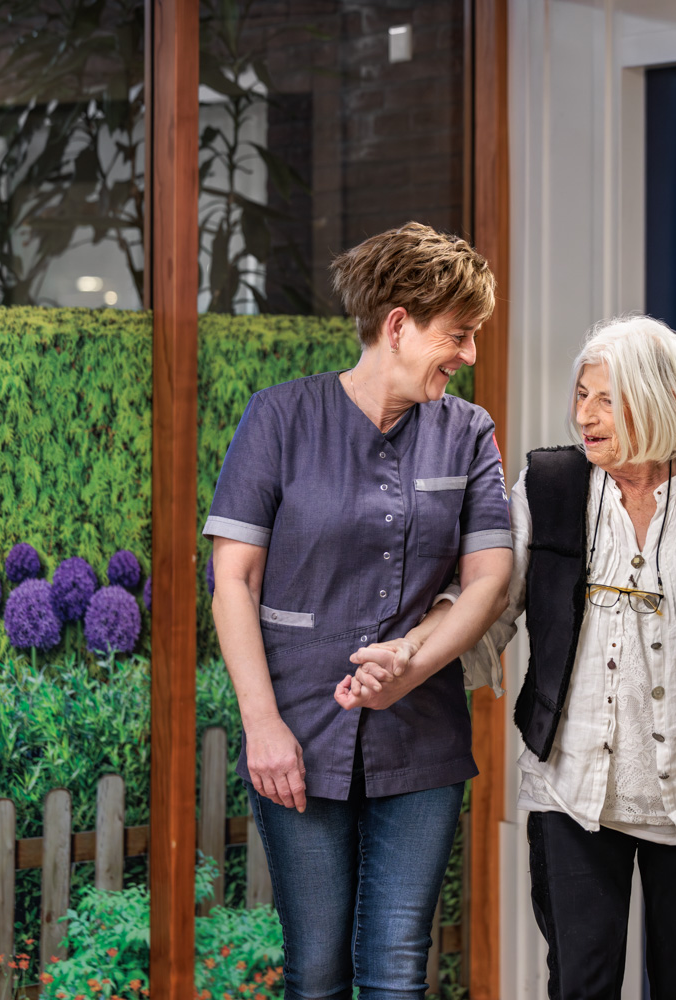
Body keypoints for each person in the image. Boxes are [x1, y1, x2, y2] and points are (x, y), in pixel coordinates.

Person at [347, 314, 676, 998]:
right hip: (572, 790)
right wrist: (410, 650)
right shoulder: (549, 487)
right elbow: (486, 599)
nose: (585, 416)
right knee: (580, 984)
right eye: (581, 396)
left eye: (607, 399)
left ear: (659, 401)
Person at [205, 222, 514, 1000]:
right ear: (398, 325)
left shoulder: (468, 433)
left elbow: (488, 578)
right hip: (298, 729)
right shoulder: (278, 418)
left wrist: (412, 663)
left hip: (424, 734)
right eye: (459, 335)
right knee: (316, 969)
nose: (470, 354)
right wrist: (262, 725)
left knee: (399, 966)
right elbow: (233, 581)